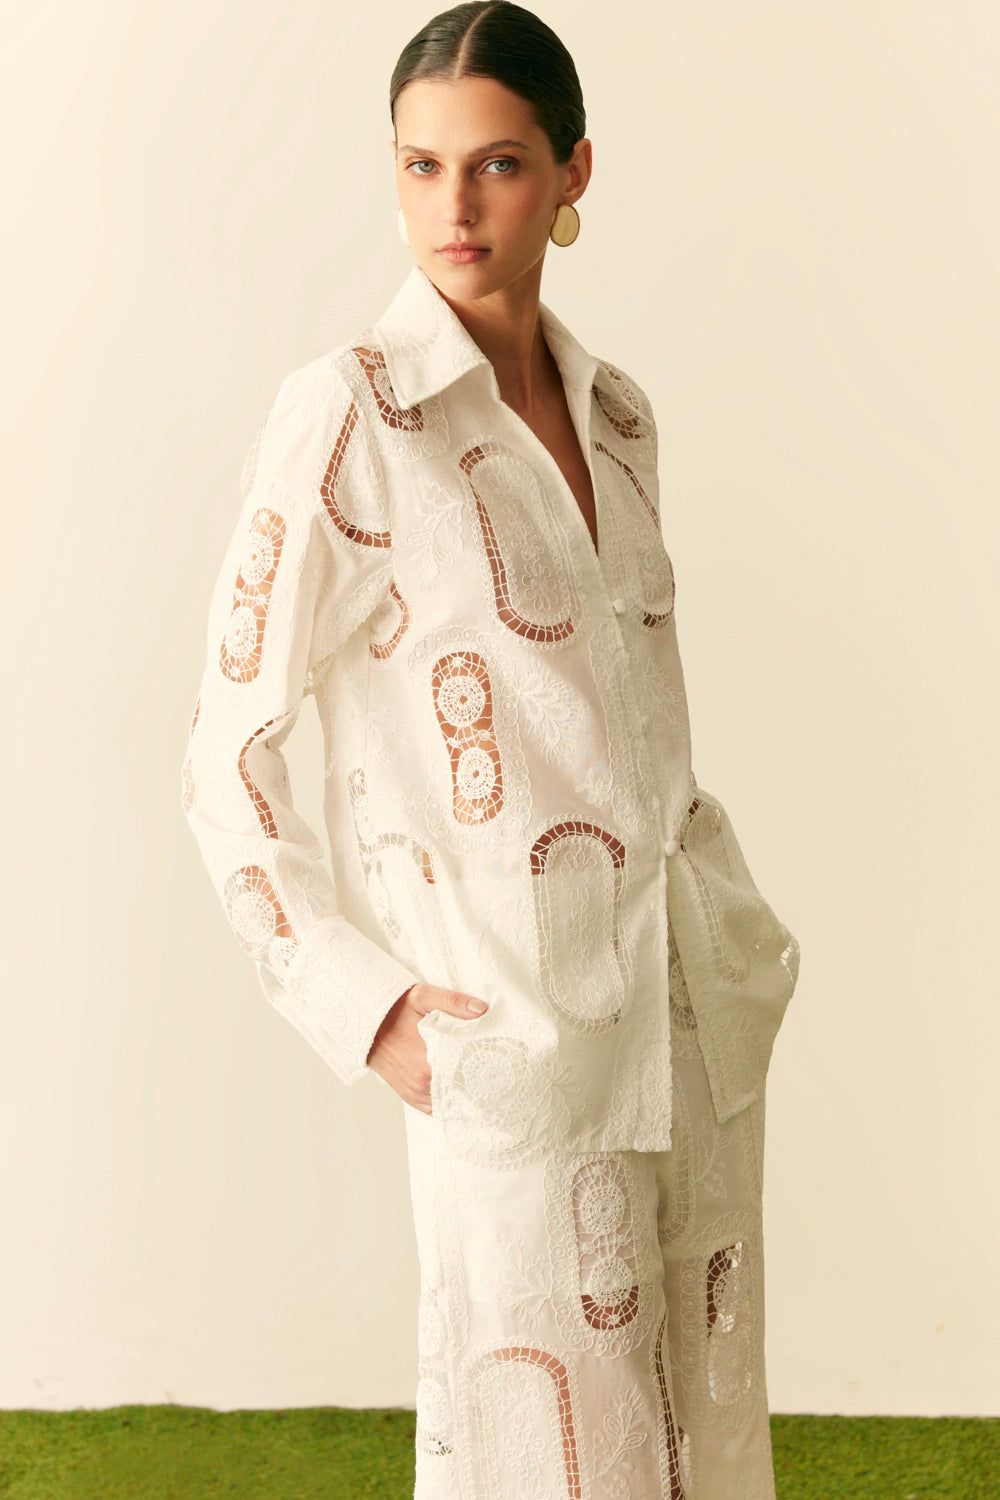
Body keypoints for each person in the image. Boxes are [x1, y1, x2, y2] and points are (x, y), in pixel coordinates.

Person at [180, 3, 801, 1494]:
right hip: (511, 1030)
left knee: (706, 1435)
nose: (454, 206)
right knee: (541, 1445)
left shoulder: (620, 417)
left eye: (499, 165)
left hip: (685, 1008)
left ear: (573, 172)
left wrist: (733, 937)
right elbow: (225, 752)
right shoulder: (350, 417)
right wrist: (366, 1006)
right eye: (422, 166)